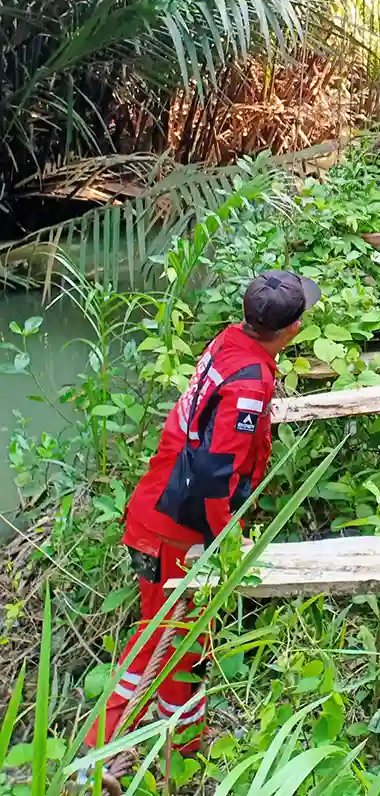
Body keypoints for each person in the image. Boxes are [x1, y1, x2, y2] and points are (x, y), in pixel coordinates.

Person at [85, 270, 319, 757]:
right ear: (293, 330)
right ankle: (101, 760)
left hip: (156, 508)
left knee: (180, 637)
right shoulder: (251, 382)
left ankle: (179, 746)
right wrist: (223, 540)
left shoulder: (229, 343)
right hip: (176, 530)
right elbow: (217, 474)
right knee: (167, 643)